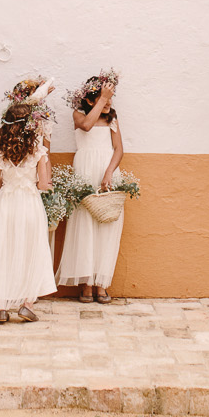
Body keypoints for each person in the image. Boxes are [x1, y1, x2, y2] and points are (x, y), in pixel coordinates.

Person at [0, 79, 58, 323]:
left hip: (6, 204)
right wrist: (48, 183)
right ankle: (26, 304)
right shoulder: (39, 151)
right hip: (29, 204)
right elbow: (44, 184)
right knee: (30, 250)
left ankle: (2, 308)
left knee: (4, 250)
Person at [57, 71, 125, 304]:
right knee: (84, 225)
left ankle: (101, 283)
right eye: (104, 98)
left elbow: (118, 149)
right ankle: (86, 284)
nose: (109, 103)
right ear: (89, 100)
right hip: (85, 172)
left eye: (111, 98)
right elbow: (86, 126)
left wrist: (109, 172)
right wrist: (102, 100)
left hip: (106, 171)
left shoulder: (112, 118)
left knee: (107, 224)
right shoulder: (78, 114)